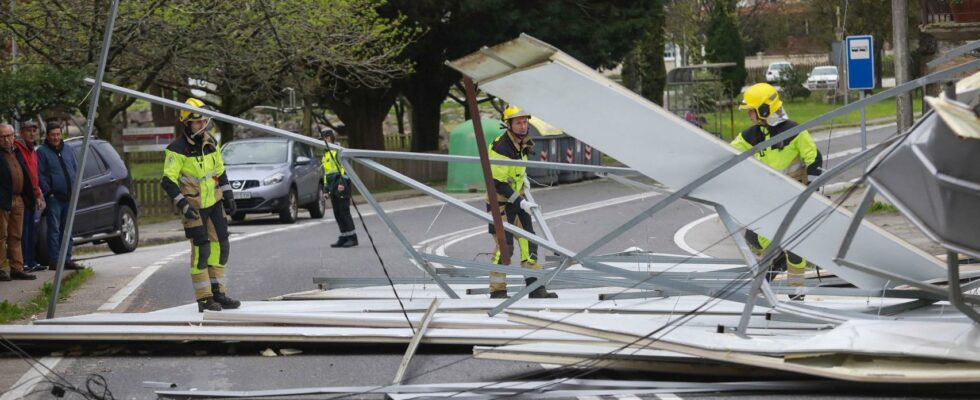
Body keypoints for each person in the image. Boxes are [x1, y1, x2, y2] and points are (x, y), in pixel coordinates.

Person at [731, 83, 822, 300]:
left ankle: (797, 291)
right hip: (768, 199)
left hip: (794, 198)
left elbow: (814, 159)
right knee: (754, 237)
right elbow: (729, 152)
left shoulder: (795, 131)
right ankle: (777, 259)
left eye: (751, 111)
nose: (749, 115)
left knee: (794, 246)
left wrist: (811, 192)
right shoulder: (752, 135)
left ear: (765, 110)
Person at [161, 98, 240, 312]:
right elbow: (168, 180)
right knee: (202, 251)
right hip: (193, 207)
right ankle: (204, 298)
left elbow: (220, 172)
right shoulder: (176, 149)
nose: (202, 125)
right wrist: (183, 204)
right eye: (198, 122)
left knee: (221, 247)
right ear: (187, 123)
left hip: (214, 204)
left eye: (204, 121)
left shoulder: (211, 143)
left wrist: (229, 197)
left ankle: (218, 294)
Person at [486, 106, 557, 300]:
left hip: (517, 201)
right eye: (518, 122)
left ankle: (535, 289)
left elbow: (516, 171)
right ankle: (498, 290)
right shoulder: (501, 147)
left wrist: (523, 185)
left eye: (525, 122)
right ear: (508, 125)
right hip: (500, 203)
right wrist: (520, 201)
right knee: (505, 247)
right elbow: (497, 182)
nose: (523, 126)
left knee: (530, 243)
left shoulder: (522, 143)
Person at [37, 120, 83, 271]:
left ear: (61, 134)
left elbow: (74, 169)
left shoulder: (67, 149)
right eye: (52, 135)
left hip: (69, 196)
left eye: (58, 134)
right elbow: (40, 174)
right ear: (47, 136)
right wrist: (48, 191)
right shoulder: (42, 152)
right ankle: (55, 260)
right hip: (54, 198)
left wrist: (76, 187)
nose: (56, 137)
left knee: (67, 229)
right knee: (54, 230)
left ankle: (67, 258)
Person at [0, 124, 38, 281]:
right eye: (2, 137)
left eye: (9, 135)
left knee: (16, 236)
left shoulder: (16, 153)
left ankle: (17, 267)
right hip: (3, 200)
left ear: (14, 136)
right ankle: (1, 268)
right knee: (1, 236)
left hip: (18, 198)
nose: (6, 139)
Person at [15, 120, 45, 273]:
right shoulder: (18, 150)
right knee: (23, 232)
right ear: (21, 133)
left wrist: (38, 195)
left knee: (32, 230)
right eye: (28, 131)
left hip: (33, 196)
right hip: (23, 196)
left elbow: (35, 176)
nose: (32, 133)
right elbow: (24, 176)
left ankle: (31, 261)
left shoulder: (33, 151)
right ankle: (25, 262)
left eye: (34, 131)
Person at [320, 128, 357, 248]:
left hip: (341, 185)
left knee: (344, 211)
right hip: (332, 186)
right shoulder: (325, 155)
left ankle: (352, 237)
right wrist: (325, 190)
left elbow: (345, 169)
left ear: (331, 138)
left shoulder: (338, 152)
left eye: (326, 138)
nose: (324, 141)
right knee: (337, 213)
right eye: (323, 139)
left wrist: (342, 183)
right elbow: (326, 174)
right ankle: (344, 236)